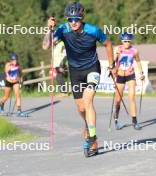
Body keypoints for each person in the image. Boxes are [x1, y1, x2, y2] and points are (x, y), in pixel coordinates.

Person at [42, 2, 116, 157]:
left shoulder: (93, 30)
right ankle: (89, 127)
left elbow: (108, 44)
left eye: (76, 19)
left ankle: (92, 137)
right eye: (70, 19)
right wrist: (48, 30)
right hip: (75, 72)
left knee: (88, 100)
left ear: (82, 17)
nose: (73, 22)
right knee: (81, 108)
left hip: (92, 69)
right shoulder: (63, 29)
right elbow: (46, 46)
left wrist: (112, 65)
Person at [113, 32, 145, 130]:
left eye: (128, 41)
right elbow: (113, 62)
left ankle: (135, 121)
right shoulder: (118, 49)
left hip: (130, 75)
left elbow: (138, 61)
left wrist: (141, 73)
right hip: (120, 75)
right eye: (125, 41)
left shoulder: (134, 51)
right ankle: (116, 119)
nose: (127, 43)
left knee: (131, 97)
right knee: (118, 100)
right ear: (122, 41)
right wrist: (116, 56)